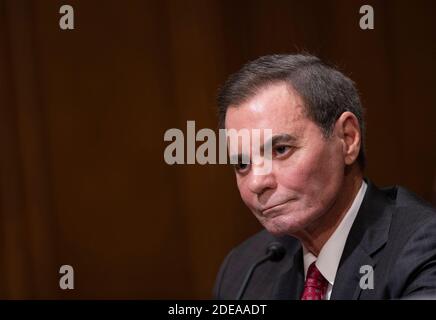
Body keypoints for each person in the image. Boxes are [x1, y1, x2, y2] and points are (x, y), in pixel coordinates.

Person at [213, 54, 436, 300]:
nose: (257, 183)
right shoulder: (244, 270)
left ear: (347, 139)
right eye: (242, 164)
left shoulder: (422, 247)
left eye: (281, 150)